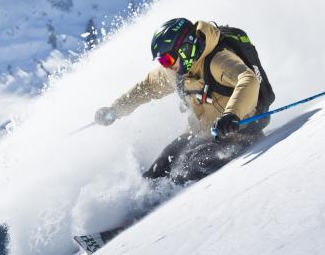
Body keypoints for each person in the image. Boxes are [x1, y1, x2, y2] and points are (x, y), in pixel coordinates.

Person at [94, 18, 271, 183]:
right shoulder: (176, 71)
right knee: (161, 165)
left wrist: (232, 115)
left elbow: (248, 79)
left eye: (168, 58)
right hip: (201, 131)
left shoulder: (217, 60)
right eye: (162, 61)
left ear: (186, 48)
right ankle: (146, 200)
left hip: (237, 130)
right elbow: (146, 88)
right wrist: (115, 110)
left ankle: (180, 205)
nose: (166, 65)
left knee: (189, 166)